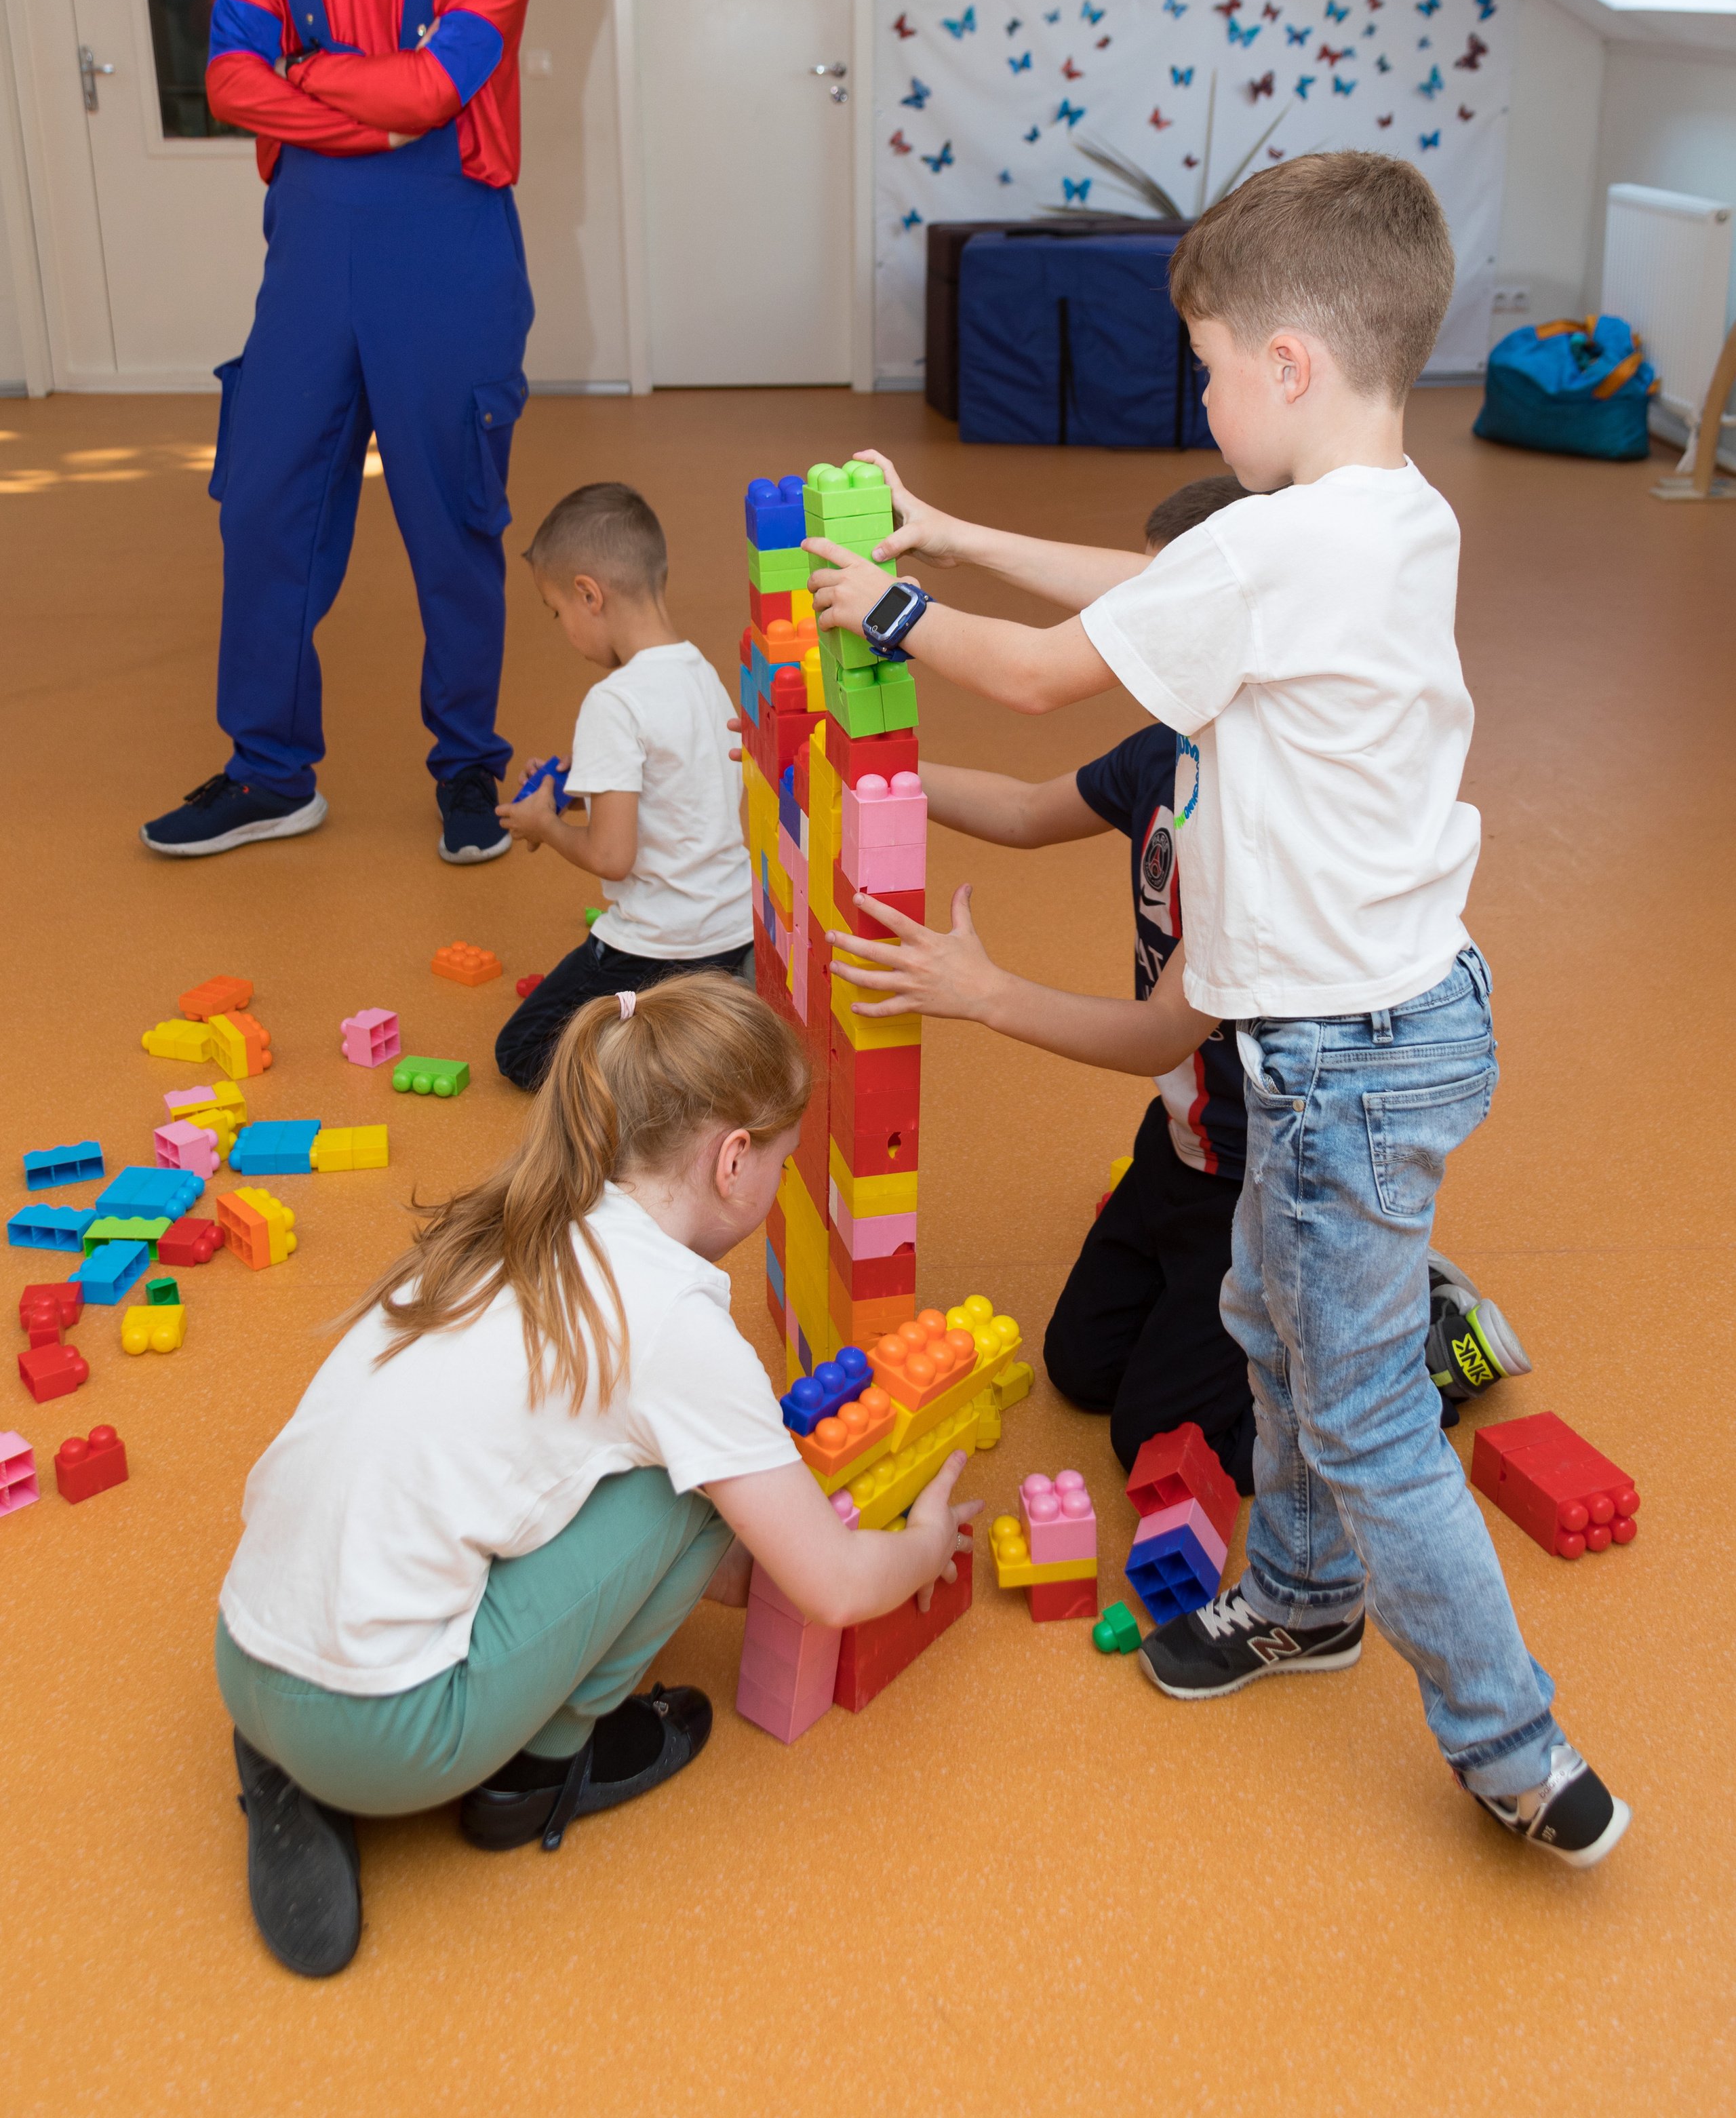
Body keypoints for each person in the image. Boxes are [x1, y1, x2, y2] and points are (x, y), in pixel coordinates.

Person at [808, 152, 1629, 1869]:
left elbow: (1043, 670)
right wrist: (957, 531)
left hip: (1332, 1067)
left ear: (1285, 364)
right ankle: (1303, 1599)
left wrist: (888, 602)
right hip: (1402, 1023)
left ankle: (1511, 1742)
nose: (1195, 399)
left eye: (1204, 367)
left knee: (1362, 1415)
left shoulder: (1273, 550)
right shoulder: (1396, 513)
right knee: (1262, 1318)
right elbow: (1157, 587)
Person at [216, 973, 981, 1977]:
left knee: (641, 1464)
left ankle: (292, 1755)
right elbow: (830, 1587)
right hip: (386, 1736)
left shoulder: (505, 1224)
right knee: (701, 1477)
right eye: (782, 1161)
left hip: (245, 1648)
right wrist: (923, 1543)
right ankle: (542, 1769)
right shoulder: (674, 1326)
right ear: (734, 1162)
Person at [919, 473, 1532, 1489]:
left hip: (1259, 1171)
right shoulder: (1162, 752)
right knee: (1080, 1368)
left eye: (1175, 610)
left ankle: (1409, 1338)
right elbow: (1026, 810)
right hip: (1180, 1140)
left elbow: (1161, 1034)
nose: (1150, 634)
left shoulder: (1254, 813)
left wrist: (986, 993)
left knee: (1161, 1437)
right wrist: (881, 780)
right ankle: (1337, 1293)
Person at [142, 0, 542, 866]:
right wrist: (365, 99)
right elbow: (230, 75)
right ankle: (271, 774)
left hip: (448, 252)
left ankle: (467, 768)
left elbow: (440, 89)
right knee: (264, 501)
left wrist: (309, 73)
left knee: (450, 522)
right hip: (311, 250)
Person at [494, 484, 754, 1090]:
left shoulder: (613, 700)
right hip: (733, 929)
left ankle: (660, 1058)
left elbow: (612, 856)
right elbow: (682, 785)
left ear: (589, 595)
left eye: (557, 612)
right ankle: (712, 1009)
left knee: (522, 1049)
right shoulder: (703, 674)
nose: (563, 629)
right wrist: (582, 786)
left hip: (657, 946)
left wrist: (546, 826)